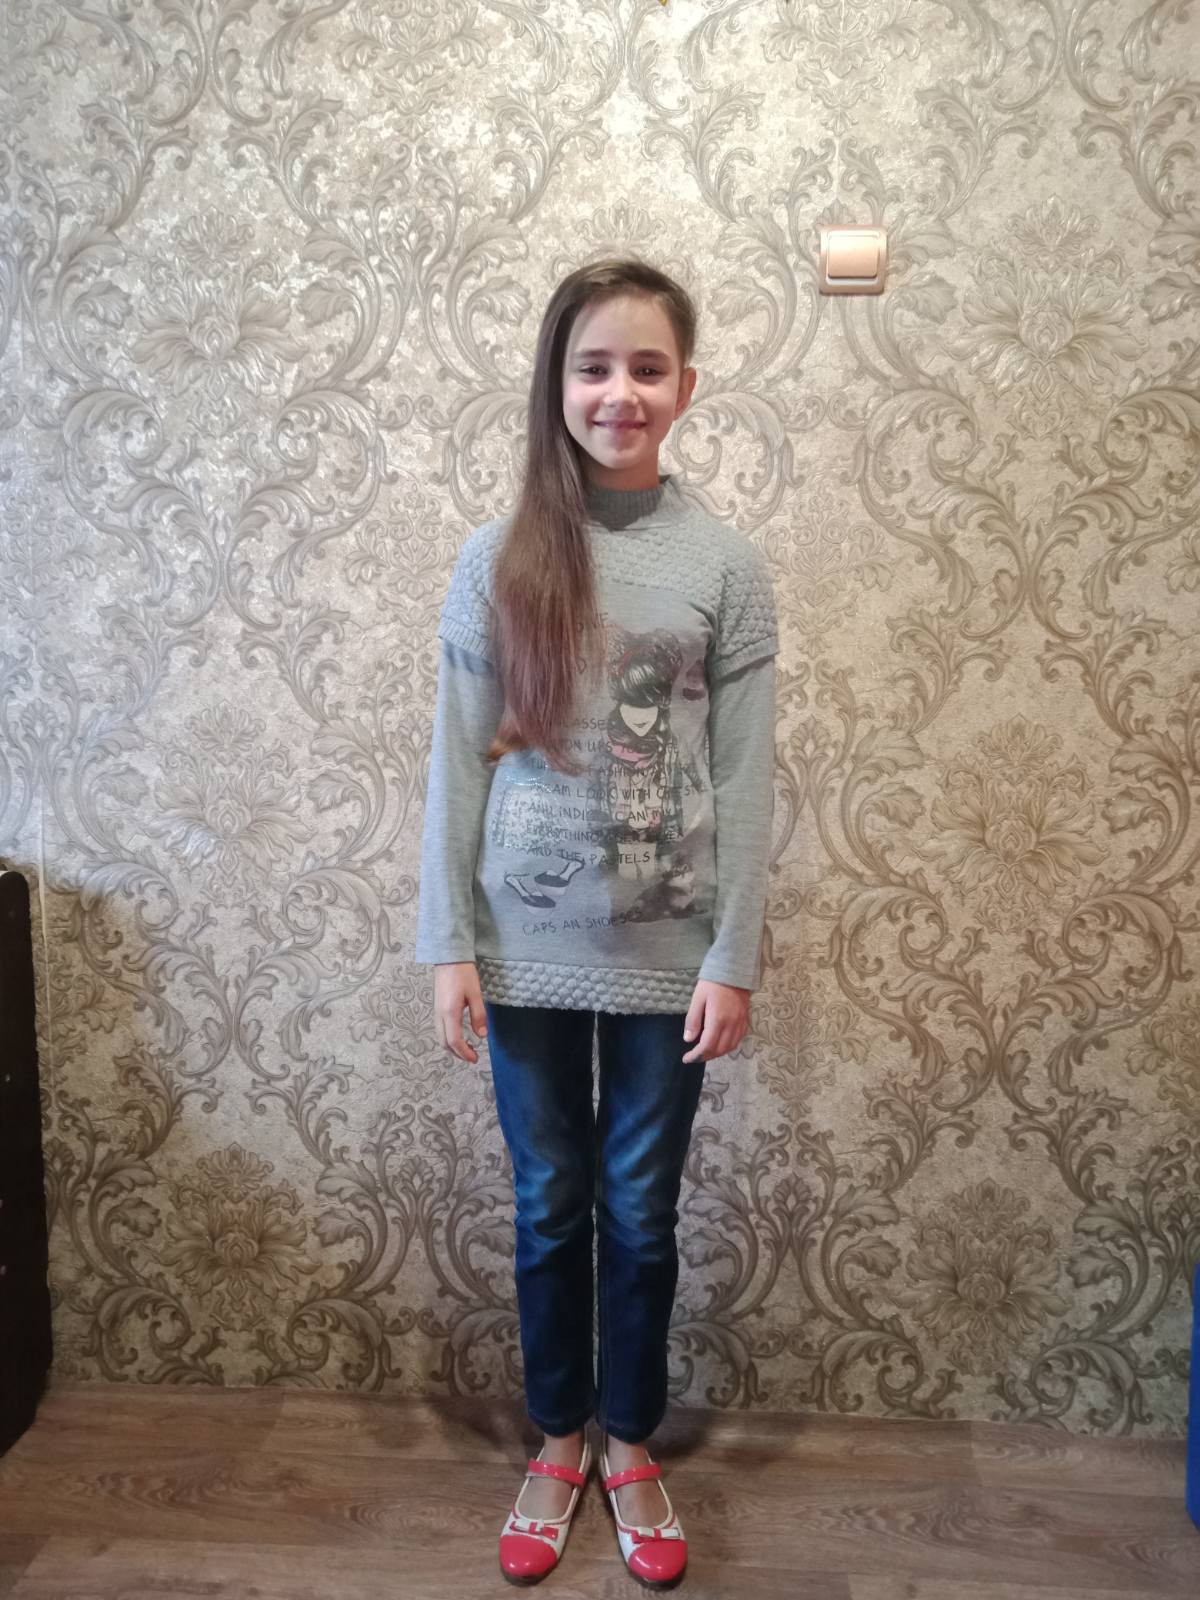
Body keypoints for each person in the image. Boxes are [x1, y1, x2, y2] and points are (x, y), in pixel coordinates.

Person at [415, 257, 778, 1589]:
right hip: (520, 952)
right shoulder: (496, 558)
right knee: (548, 1203)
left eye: (646, 367)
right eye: (593, 366)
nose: (619, 391)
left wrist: (733, 957)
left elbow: (744, 777)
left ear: (687, 386)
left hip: (668, 962)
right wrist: (448, 943)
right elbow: (459, 762)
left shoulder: (724, 565)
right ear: (556, 383)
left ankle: (630, 1445)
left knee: (639, 1207)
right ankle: (557, 1438)